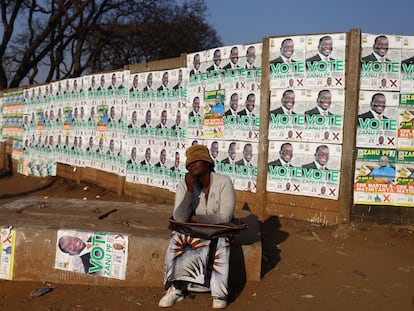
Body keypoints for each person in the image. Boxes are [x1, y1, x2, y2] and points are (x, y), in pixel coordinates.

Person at [159, 144, 235, 309]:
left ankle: (219, 293)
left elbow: (225, 217)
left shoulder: (224, 182)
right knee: (177, 238)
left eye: (197, 161)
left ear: (208, 164)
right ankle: (177, 288)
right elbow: (179, 218)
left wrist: (195, 218)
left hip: (218, 231)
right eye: (189, 163)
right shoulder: (184, 185)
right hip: (194, 231)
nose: (192, 165)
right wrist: (189, 191)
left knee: (222, 242)